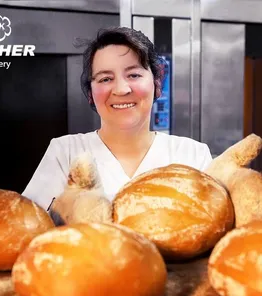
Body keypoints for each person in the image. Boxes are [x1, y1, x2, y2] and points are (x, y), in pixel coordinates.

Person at [22, 26, 213, 213]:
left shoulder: (192, 156)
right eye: (105, 79)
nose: (121, 89)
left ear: (156, 84)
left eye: (134, 75)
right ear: (90, 94)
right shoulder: (66, 153)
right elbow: (29, 228)